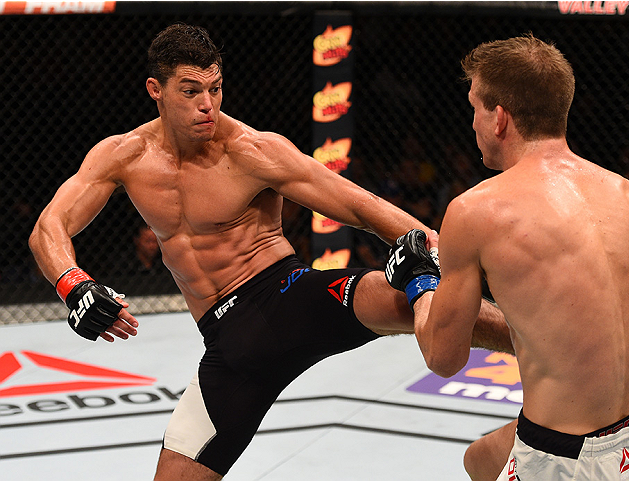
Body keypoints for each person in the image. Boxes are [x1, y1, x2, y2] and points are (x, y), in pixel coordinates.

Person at [28, 23, 511, 481]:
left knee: (412, 297)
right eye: (191, 91)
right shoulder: (123, 156)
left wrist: (447, 257)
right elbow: (49, 227)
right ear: (156, 89)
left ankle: (542, 347)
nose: (207, 105)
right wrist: (74, 284)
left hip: (288, 297)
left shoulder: (252, 150)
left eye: (215, 89)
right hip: (228, 345)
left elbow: (362, 207)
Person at [386, 34, 629, 480]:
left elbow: (443, 357)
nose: (471, 122)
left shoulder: (477, 210)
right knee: (481, 459)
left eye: (475, 107)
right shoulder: (622, 192)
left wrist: (419, 281)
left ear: (500, 119)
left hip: (562, 460)